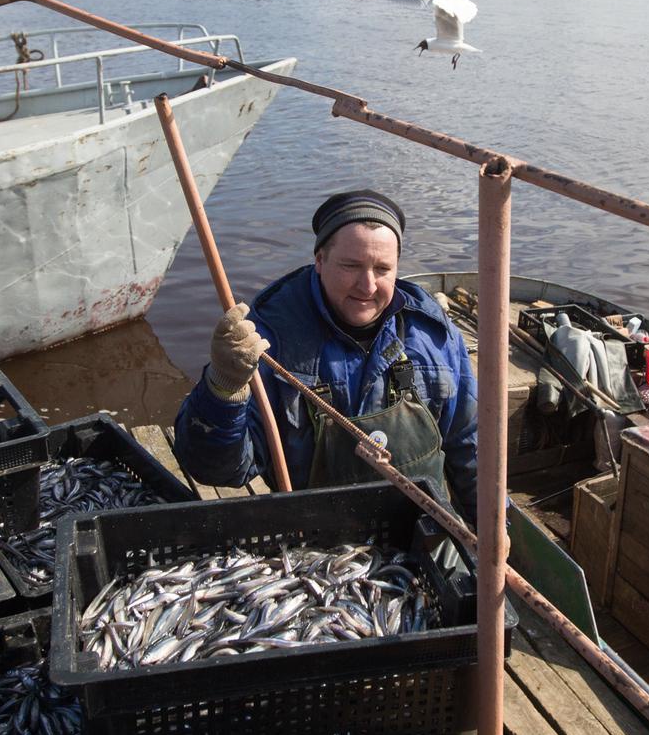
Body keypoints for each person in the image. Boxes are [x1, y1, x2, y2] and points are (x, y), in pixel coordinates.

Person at [173, 189, 479, 514]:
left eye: (383, 269)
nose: (368, 286)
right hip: (317, 542)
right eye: (351, 266)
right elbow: (217, 470)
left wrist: (492, 529)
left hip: (425, 526)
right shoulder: (271, 337)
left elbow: (469, 444)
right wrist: (223, 387)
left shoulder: (431, 332)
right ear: (319, 260)